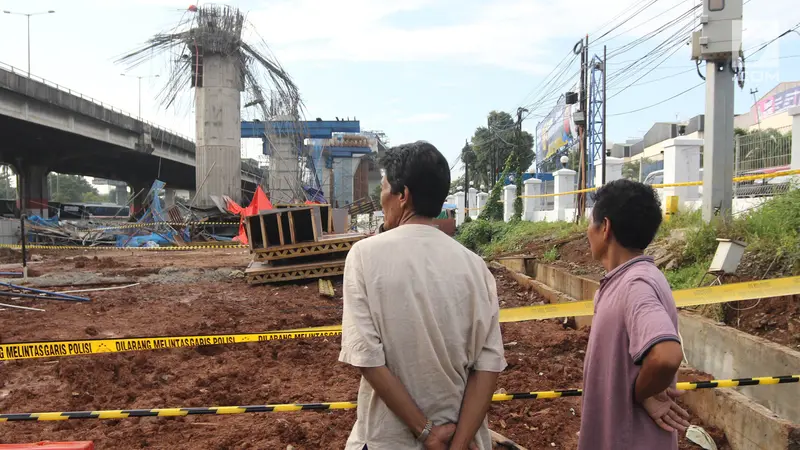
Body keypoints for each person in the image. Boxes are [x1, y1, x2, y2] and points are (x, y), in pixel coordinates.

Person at [339, 141, 507, 450]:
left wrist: (426, 432)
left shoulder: (364, 256)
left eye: (384, 188)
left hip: (388, 440)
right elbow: (487, 366)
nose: (381, 198)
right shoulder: (476, 267)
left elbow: (366, 358)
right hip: (463, 439)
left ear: (403, 196)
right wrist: (457, 445)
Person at [578, 179, 691, 450]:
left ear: (605, 228)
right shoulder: (628, 280)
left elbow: (666, 355)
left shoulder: (635, 285)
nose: (587, 231)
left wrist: (642, 393)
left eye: (591, 222)